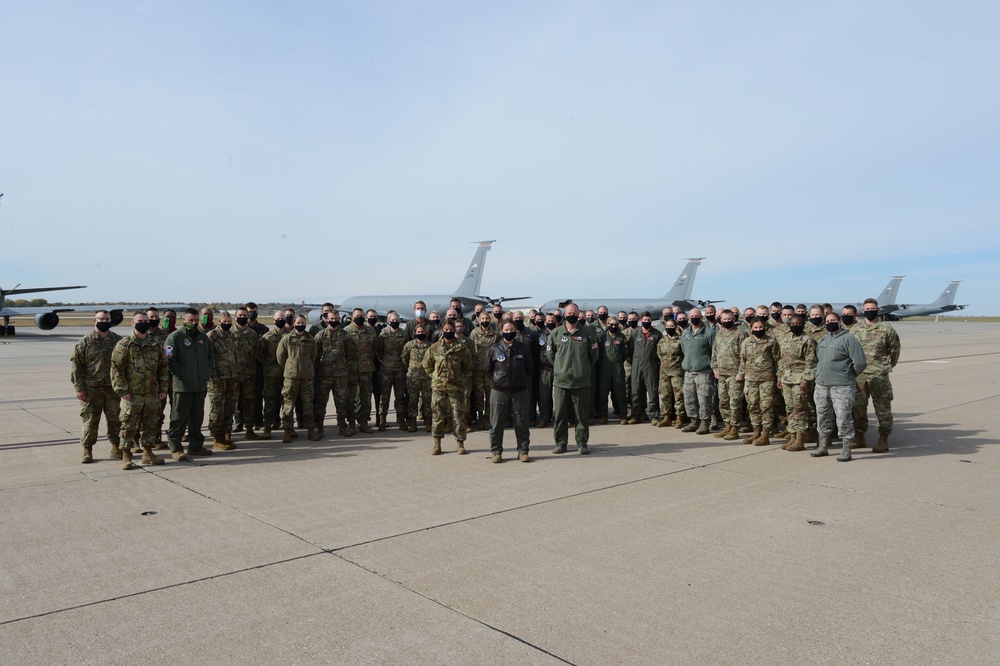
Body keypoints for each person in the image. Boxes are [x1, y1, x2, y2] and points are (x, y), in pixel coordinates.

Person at [111, 312, 169, 469]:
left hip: (151, 393)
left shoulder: (155, 344)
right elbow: (116, 370)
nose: (143, 323)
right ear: (132, 323)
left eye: (146, 321)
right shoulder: (124, 345)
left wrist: (163, 388)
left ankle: (148, 453)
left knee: (150, 425)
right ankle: (126, 455)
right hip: (132, 395)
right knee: (128, 426)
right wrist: (123, 391)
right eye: (140, 321)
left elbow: (163, 368)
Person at [811, 313, 868, 461]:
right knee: (822, 415)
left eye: (833, 321)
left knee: (843, 417)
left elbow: (860, 362)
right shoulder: (824, 339)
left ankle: (846, 449)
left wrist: (847, 375)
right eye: (828, 321)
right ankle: (823, 446)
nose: (830, 323)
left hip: (842, 386)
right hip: (822, 385)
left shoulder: (849, 339)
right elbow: (819, 359)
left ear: (839, 322)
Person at [71, 310, 123, 463]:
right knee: (90, 420)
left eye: (107, 319)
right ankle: (87, 449)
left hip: (113, 388)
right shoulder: (84, 342)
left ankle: (115, 446)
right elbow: (77, 368)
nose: (104, 321)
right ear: (94, 321)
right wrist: (79, 388)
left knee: (115, 420)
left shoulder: (118, 340)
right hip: (91, 389)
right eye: (101, 319)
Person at [546, 304, 599, 455]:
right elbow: (551, 356)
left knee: (581, 415)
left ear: (578, 314)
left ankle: (582, 443)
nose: (572, 315)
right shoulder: (556, 333)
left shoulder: (588, 333)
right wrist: (560, 369)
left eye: (574, 313)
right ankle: (560, 443)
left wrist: (582, 369)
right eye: (569, 313)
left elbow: (593, 356)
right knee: (560, 415)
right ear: (564, 315)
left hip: (581, 381)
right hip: (561, 381)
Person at [851, 298, 902, 452]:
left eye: (873, 309)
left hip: (879, 375)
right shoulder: (855, 329)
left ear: (878, 310)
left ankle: (883, 438)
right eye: (867, 309)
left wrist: (885, 366)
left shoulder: (886, 329)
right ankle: (859, 437)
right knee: (858, 407)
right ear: (863, 311)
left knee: (882, 407)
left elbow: (895, 350)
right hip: (859, 375)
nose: (870, 311)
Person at [165, 308, 215, 457]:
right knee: (179, 418)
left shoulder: (203, 338)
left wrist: (206, 371)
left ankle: (195, 446)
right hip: (183, 386)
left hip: (200, 386)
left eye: (196, 320)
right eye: (190, 320)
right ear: (184, 320)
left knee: (197, 418)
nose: (193, 323)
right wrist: (182, 374)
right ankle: (176, 448)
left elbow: (210, 357)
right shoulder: (175, 338)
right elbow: (169, 359)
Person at [485, 320, 533, 462]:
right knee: (496, 423)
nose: (508, 332)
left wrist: (519, 379)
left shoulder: (523, 349)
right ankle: (496, 451)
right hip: (499, 391)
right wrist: (499, 381)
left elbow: (529, 368)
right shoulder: (494, 349)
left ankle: (523, 451)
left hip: (520, 391)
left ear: (515, 331)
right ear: (501, 331)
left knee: (521, 422)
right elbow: (488, 369)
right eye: (506, 329)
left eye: (511, 329)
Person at [423, 320, 473, 455]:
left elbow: (468, 367)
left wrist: (460, 378)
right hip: (438, 387)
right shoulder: (434, 348)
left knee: (458, 416)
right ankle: (437, 444)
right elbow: (427, 365)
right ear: (442, 331)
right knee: (438, 416)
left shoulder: (462, 348)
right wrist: (435, 376)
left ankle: (460, 443)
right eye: (446, 329)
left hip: (456, 388)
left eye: (451, 329)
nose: (448, 331)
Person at [276, 315, 321, 443]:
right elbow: (281, 357)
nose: (300, 324)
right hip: (291, 377)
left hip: (307, 377)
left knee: (308, 404)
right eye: (298, 322)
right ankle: (287, 430)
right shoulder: (287, 339)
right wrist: (291, 367)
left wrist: (306, 367)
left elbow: (313, 356)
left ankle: (311, 430)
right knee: (288, 405)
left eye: (303, 322)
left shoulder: (310, 339)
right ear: (294, 323)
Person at [736, 318, 780, 445]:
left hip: (767, 380)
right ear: (751, 329)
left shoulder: (771, 342)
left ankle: (765, 434)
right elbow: (743, 360)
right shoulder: (746, 342)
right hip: (750, 380)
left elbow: (777, 361)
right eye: (755, 328)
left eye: (761, 327)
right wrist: (741, 373)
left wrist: (779, 378)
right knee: (753, 405)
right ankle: (756, 432)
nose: (758, 330)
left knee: (766, 407)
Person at [777, 315, 817, 452]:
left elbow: (811, 362)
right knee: (790, 409)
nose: (795, 325)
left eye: (798, 323)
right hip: (787, 379)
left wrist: (806, 379)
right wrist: (779, 378)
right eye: (793, 323)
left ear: (803, 324)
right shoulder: (786, 339)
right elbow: (782, 360)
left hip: (800, 380)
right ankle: (792, 436)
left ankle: (800, 438)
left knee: (800, 409)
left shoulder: (808, 340)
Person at [313, 308, 352, 437]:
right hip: (324, 375)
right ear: (326, 319)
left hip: (341, 374)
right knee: (321, 402)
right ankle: (320, 428)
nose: (333, 321)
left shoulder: (345, 335)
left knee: (341, 402)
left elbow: (350, 353)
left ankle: (342, 426)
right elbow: (314, 355)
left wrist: (344, 365)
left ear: (339, 318)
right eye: (331, 319)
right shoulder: (320, 335)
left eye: (336, 319)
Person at [680, 307, 716, 434]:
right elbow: (684, 350)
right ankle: (694, 421)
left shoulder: (709, 332)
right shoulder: (685, 333)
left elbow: (714, 352)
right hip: (688, 372)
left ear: (702, 317)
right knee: (689, 398)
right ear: (689, 318)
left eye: (697, 316)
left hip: (703, 372)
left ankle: (705, 422)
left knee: (704, 399)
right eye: (692, 316)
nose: (694, 318)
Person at [206, 311, 239, 450]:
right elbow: (209, 357)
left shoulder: (231, 335)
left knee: (230, 407)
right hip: (217, 378)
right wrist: (213, 377)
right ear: (219, 321)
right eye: (224, 322)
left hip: (231, 377)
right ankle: (216, 437)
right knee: (217, 408)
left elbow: (235, 355)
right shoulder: (211, 336)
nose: (227, 324)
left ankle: (227, 433)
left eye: (229, 322)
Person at [710, 309, 744, 440]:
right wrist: (715, 370)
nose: (727, 321)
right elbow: (714, 353)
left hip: (734, 375)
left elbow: (744, 356)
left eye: (729, 319)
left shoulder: (740, 334)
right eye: (724, 319)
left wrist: (741, 373)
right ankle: (727, 426)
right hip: (722, 375)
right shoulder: (719, 334)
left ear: (734, 319)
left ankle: (735, 428)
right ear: (721, 320)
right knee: (723, 403)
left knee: (734, 403)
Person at [232, 307, 261, 441]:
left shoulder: (252, 334)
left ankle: (249, 429)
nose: (243, 317)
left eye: (245, 315)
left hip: (249, 374)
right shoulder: (229, 333)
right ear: (235, 317)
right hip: (232, 375)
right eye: (240, 315)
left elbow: (257, 353)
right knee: (231, 403)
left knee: (250, 402)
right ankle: (231, 428)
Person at [345, 307, 377, 433]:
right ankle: (351, 423)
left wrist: (367, 360)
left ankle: (363, 422)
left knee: (366, 397)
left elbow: (374, 349)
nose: (359, 318)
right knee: (351, 397)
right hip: (351, 369)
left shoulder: (370, 332)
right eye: (356, 316)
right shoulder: (346, 332)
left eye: (361, 316)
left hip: (366, 369)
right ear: (352, 317)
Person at [628, 311, 662, 424]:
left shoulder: (657, 334)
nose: (646, 322)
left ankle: (654, 416)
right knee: (636, 391)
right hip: (637, 364)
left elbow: (660, 351)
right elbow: (630, 349)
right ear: (640, 320)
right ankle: (636, 415)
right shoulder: (634, 333)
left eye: (648, 320)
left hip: (651, 365)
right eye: (644, 320)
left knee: (652, 391)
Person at [258, 311, 288, 439]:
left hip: (287, 375)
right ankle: (267, 428)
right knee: (270, 402)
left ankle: (288, 428)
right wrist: (268, 363)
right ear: (273, 320)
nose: (280, 320)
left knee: (287, 402)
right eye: (278, 319)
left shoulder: (290, 336)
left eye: (283, 318)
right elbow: (259, 353)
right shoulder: (267, 337)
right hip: (271, 375)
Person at [401, 323, 433, 432]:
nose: (420, 334)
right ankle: (413, 423)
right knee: (412, 400)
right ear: (415, 333)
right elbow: (404, 359)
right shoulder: (409, 345)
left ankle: (428, 423)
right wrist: (412, 369)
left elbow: (433, 361)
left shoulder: (430, 346)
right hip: (412, 378)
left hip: (427, 378)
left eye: (422, 332)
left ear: (426, 333)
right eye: (418, 332)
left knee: (427, 400)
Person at [470, 311, 500, 430]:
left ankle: (488, 418)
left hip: (490, 370)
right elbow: (471, 351)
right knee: (478, 394)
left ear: (490, 320)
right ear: (478, 320)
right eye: (482, 318)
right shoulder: (474, 333)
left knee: (490, 394)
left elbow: (499, 351)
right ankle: (480, 418)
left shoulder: (496, 334)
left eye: (487, 318)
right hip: (477, 369)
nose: (484, 320)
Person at [598, 316, 630, 425]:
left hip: (618, 368)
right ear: (607, 325)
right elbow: (599, 353)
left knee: (620, 393)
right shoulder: (603, 337)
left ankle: (623, 415)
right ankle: (603, 415)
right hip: (605, 369)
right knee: (603, 393)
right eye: (611, 324)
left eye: (615, 325)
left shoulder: (622, 337)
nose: (613, 326)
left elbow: (625, 353)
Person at [656, 318, 686, 428]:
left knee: (679, 396)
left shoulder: (680, 340)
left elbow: (684, 355)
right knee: (665, 395)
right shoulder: (662, 341)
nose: (669, 328)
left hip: (677, 372)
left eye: (671, 326)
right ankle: (666, 417)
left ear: (676, 326)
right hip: (664, 373)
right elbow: (659, 355)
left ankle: (679, 417)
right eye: (667, 326)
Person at [535, 314, 557, 427]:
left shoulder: (560, 334)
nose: (550, 322)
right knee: (544, 396)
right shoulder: (540, 335)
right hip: (545, 369)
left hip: (558, 370)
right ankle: (544, 418)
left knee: (560, 397)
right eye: (548, 321)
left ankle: (560, 418)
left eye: (552, 320)